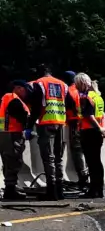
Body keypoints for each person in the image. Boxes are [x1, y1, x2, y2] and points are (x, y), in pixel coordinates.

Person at [27, 65, 69, 200]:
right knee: (58, 157)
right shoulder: (63, 85)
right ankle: (60, 190)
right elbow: (70, 104)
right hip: (60, 123)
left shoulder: (39, 83)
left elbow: (37, 107)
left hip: (45, 123)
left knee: (48, 157)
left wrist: (29, 125)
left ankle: (51, 191)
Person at [75, 74, 105, 199]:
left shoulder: (86, 97)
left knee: (91, 162)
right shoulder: (98, 97)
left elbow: (89, 116)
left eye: (78, 85)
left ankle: (93, 190)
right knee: (97, 162)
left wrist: (99, 128)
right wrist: (102, 129)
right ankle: (99, 190)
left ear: (81, 84)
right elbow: (102, 115)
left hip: (89, 132)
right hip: (97, 133)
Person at [0, 81, 31, 200]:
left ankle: (10, 188)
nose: (26, 92)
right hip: (12, 134)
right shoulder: (13, 98)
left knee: (9, 162)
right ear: (17, 88)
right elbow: (21, 115)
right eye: (24, 89)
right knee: (13, 161)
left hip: (5, 133)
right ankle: (10, 190)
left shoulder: (6, 98)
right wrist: (28, 126)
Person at [64, 70, 89, 191]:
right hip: (86, 124)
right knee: (86, 152)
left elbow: (68, 108)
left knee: (77, 152)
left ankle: (83, 179)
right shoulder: (84, 91)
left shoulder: (69, 91)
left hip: (75, 123)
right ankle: (87, 178)